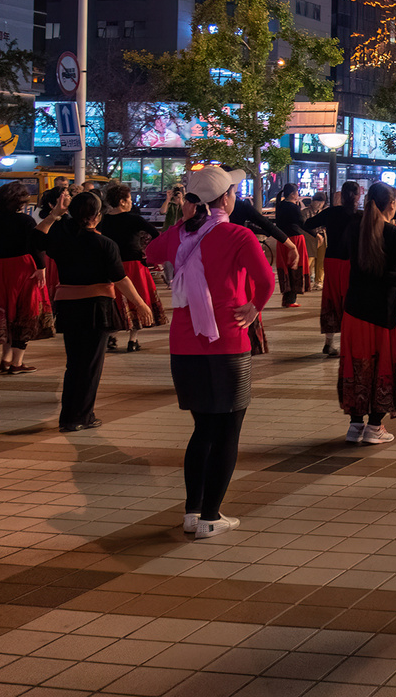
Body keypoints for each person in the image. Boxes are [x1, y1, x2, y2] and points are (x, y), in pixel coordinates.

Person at [146, 166, 275, 539]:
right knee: (227, 430)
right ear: (225, 199)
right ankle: (211, 517)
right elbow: (266, 280)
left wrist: (183, 222)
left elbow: (152, 252)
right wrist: (254, 307)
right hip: (227, 345)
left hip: (184, 346)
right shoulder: (237, 235)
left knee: (203, 429)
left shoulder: (180, 236)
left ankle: (192, 512)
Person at [35, 190, 153, 431]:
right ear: (97, 216)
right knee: (89, 366)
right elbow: (120, 279)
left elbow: (35, 240)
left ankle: (69, 415)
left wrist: (54, 216)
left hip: (68, 307)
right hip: (96, 308)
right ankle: (81, 417)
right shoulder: (104, 243)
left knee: (74, 364)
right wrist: (140, 303)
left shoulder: (62, 236)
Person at [339, 182, 396, 445]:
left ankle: (355, 426)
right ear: (392, 204)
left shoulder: (355, 228)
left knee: (358, 368)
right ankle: (375, 427)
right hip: (387, 313)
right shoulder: (393, 232)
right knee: (383, 367)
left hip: (355, 311)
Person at [0, 180, 54, 374]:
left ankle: (6, 359)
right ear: (20, 201)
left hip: (0, 268)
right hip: (23, 267)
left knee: (7, 313)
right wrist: (41, 267)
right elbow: (35, 245)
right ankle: (17, 362)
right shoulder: (25, 221)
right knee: (24, 313)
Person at [99, 183, 167, 353]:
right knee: (137, 299)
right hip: (133, 264)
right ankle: (133, 340)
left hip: (110, 266)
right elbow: (156, 234)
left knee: (114, 301)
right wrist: (148, 252)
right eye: (129, 199)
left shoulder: (103, 220)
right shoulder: (134, 219)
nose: (131, 202)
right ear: (122, 201)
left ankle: (111, 336)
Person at [304, 182, 362, 357]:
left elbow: (308, 223)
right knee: (352, 300)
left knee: (331, 298)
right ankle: (351, 341)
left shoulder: (331, 213)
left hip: (332, 260)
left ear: (341, 196)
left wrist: (320, 232)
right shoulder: (361, 216)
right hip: (352, 262)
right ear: (358, 196)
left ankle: (329, 342)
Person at [274, 184, 312, 308]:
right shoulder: (293, 208)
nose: (298, 195)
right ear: (292, 194)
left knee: (285, 267)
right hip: (295, 239)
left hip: (283, 240)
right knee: (296, 266)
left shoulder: (280, 206)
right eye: (297, 193)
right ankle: (291, 299)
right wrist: (315, 234)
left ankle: (287, 298)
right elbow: (302, 223)